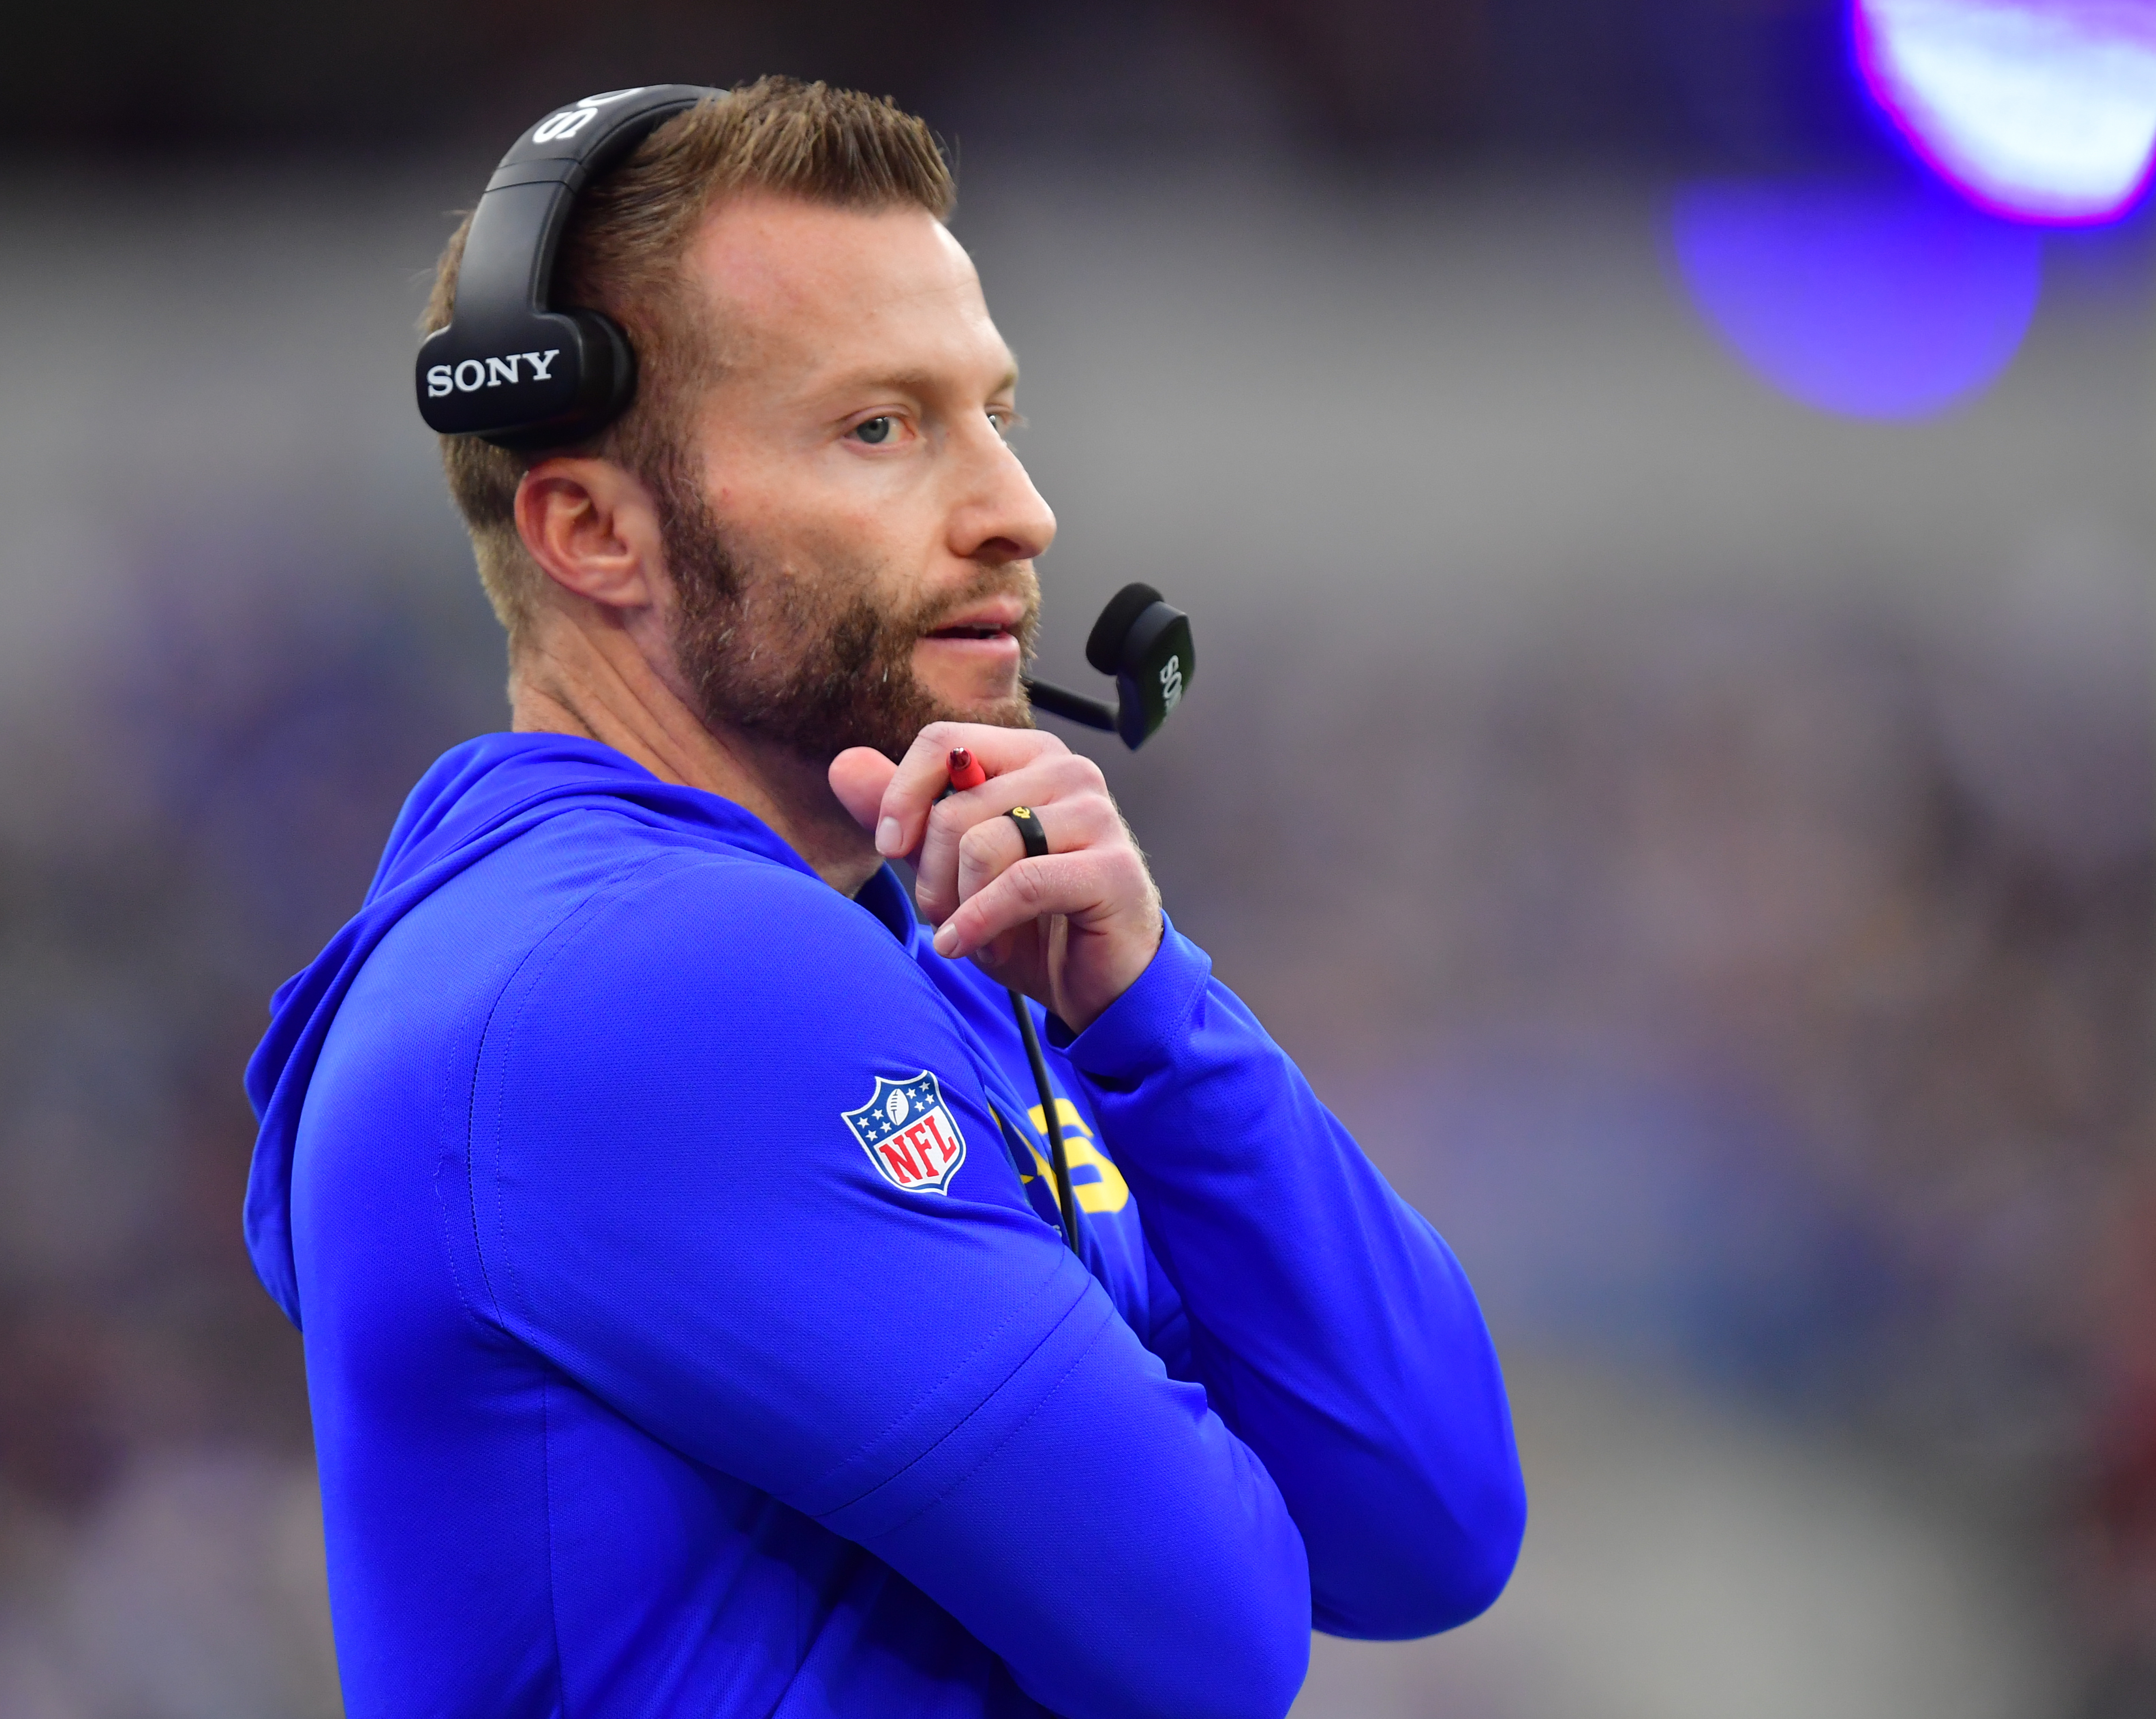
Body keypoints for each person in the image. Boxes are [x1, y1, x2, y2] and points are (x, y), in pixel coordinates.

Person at [243, 76, 1523, 1719]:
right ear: (591, 532)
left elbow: (1427, 1528)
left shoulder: (914, 941)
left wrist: (1155, 1017)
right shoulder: (645, 972)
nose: (1017, 509)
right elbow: (1215, 1639)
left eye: (997, 413)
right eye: (881, 428)